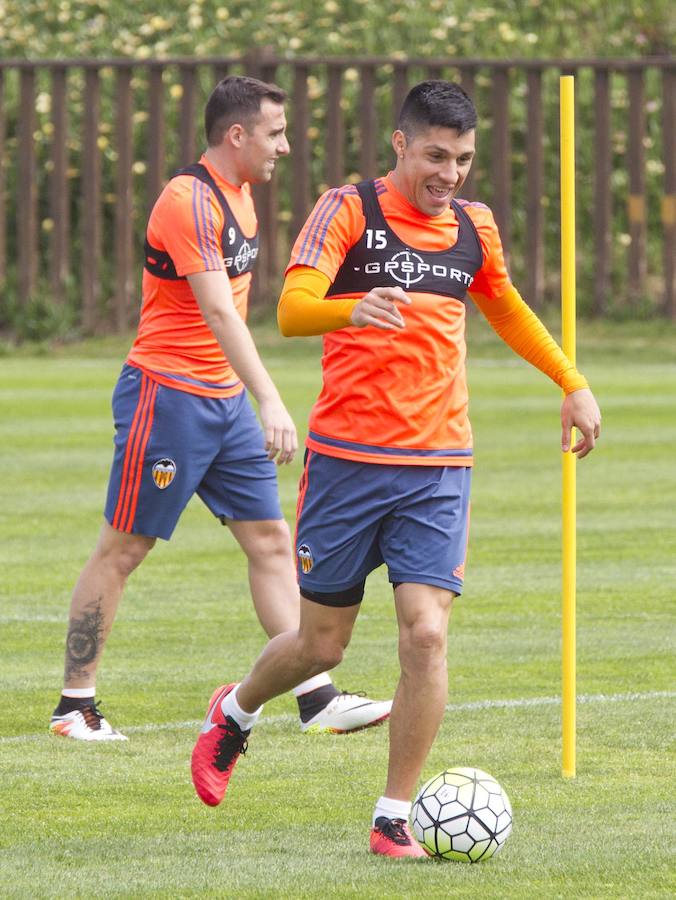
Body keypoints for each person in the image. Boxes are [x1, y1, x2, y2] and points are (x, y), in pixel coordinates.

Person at [189, 80, 601, 856]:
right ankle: (235, 713)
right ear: (402, 146)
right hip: (347, 464)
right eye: (437, 156)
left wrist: (571, 382)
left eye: (465, 159)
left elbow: (505, 305)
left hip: (439, 464)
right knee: (320, 647)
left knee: (425, 637)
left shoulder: (474, 226)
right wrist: (354, 305)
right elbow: (289, 309)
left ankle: (392, 815)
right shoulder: (348, 209)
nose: (450, 174)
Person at [49, 76, 391, 743]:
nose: (285, 147)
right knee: (125, 546)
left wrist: (245, 396)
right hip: (167, 395)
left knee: (270, 541)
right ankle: (74, 706)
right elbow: (214, 311)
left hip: (222, 399)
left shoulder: (242, 197)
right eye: (276, 133)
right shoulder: (189, 202)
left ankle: (315, 697)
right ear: (236, 135)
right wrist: (270, 398)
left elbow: (230, 314)